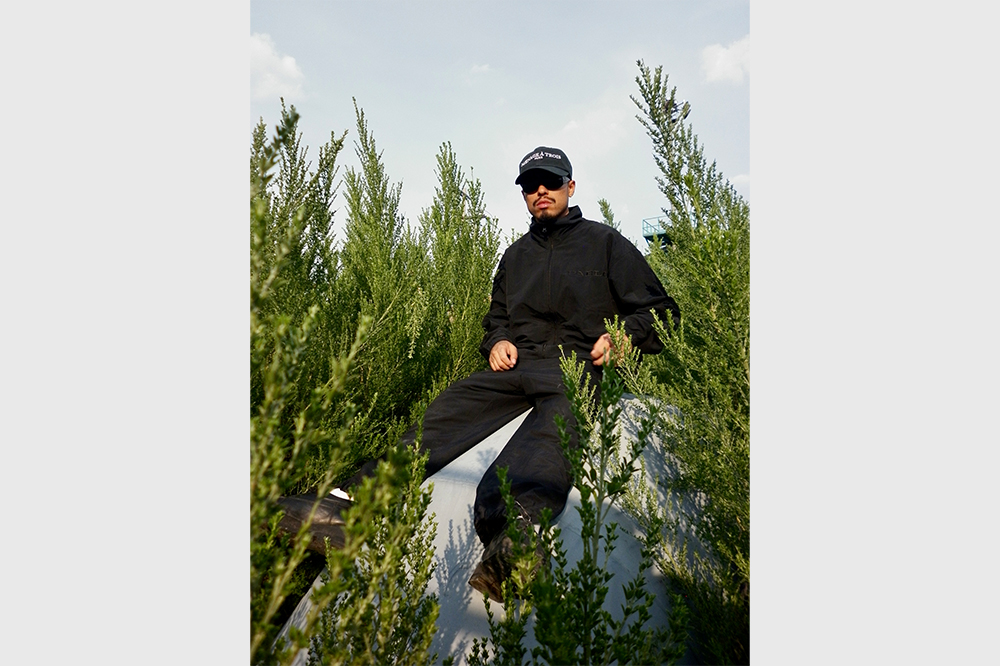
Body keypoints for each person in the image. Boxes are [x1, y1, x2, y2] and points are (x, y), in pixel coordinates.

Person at [277, 146, 680, 602]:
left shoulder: (606, 243)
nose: (541, 190)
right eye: (530, 185)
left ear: (570, 186)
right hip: (517, 366)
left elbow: (661, 310)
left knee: (553, 430)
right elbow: (497, 318)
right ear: (523, 194)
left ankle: (515, 539)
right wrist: (498, 341)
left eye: (550, 181)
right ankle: (351, 508)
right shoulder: (515, 256)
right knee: (449, 409)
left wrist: (625, 336)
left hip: (578, 364)